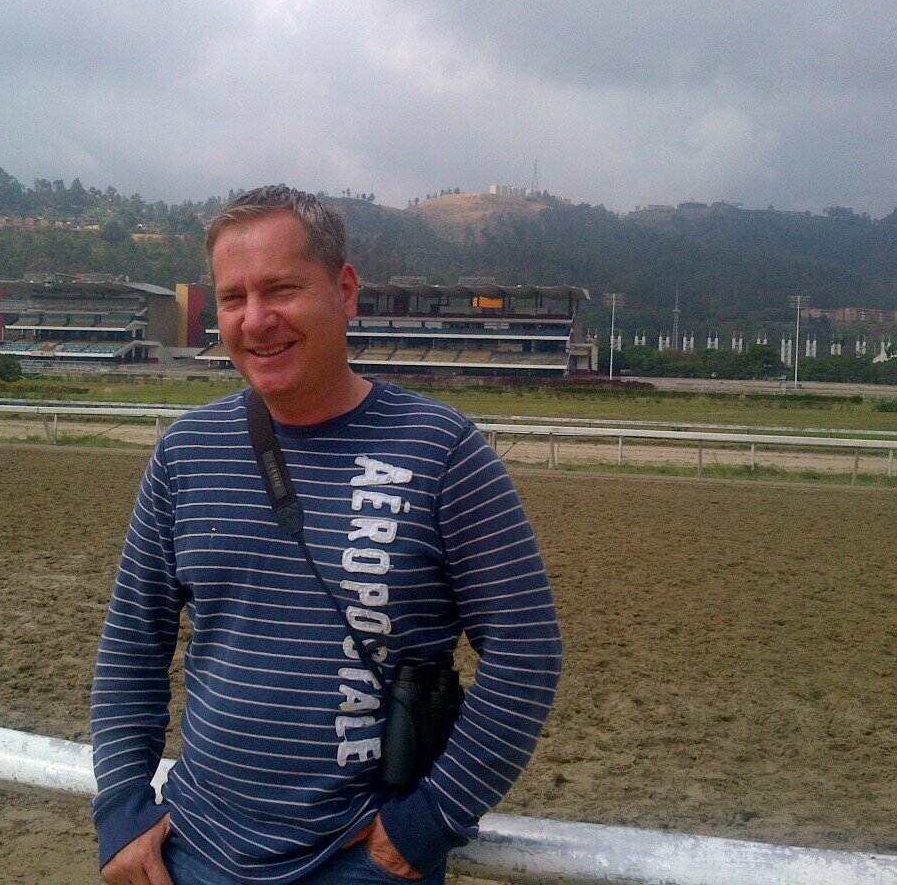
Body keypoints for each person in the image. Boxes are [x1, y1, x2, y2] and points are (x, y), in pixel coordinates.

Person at [91, 186, 561, 885]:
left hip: (362, 860)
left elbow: (527, 650)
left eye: (280, 289)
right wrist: (123, 811)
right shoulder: (185, 452)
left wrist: (432, 818)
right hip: (193, 856)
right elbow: (134, 643)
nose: (255, 321)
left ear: (344, 291)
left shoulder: (442, 450)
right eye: (233, 298)